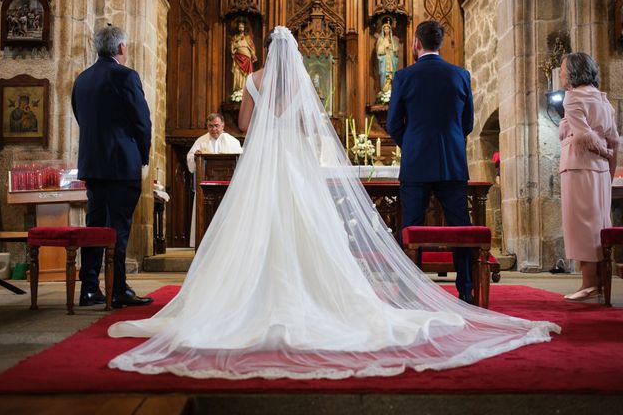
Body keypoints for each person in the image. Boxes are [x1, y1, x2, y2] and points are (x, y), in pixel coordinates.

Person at [107, 26, 559, 380]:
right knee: (307, 226)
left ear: (265, 50)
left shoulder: (254, 78)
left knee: (256, 226)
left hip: (264, 166)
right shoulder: (302, 81)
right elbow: (309, 127)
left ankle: (245, 295)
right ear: (294, 54)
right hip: (296, 167)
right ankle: (327, 293)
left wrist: (266, 120)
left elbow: (244, 123)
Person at [387, 20, 475, 303]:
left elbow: (392, 123)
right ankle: (466, 289)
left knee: (411, 226)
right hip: (452, 162)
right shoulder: (461, 75)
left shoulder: (403, 77)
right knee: (461, 227)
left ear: (416, 43)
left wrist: (411, 145)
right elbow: (468, 123)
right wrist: (450, 142)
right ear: (440, 43)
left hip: (416, 164)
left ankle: (408, 291)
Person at [72, 25, 153, 308]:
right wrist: (141, 155)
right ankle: (118, 288)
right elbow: (142, 121)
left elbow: (81, 118)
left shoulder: (82, 79)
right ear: (121, 48)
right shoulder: (125, 76)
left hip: (93, 165)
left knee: (95, 226)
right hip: (121, 164)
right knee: (118, 228)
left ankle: (90, 288)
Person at [559, 52, 619, 301]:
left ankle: (589, 283)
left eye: (562, 70)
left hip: (579, 167)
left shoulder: (573, 98)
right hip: (601, 170)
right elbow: (614, 138)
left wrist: (603, 151)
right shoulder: (602, 99)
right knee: (598, 224)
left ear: (573, 72)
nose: (561, 74)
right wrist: (609, 166)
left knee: (581, 225)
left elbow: (584, 136)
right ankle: (599, 283)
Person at [186, 113, 242, 247]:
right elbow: (190, 160)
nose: (213, 129)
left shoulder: (233, 142)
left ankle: (228, 244)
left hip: (228, 189)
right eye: (210, 126)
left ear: (223, 126)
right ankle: (204, 243)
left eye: (216, 126)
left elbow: (240, 162)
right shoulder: (200, 141)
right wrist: (195, 156)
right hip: (205, 189)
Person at [230, 21, 257, 100]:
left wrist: (253, 54)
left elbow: (252, 47)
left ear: (244, 28)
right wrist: (236, 42)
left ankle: (246, 90)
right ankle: (238, 90)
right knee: (238, 73)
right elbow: (232, 47)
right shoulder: (235, 37)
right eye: (239, 27)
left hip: (247, 58)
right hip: (238, 58)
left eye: (242, 27)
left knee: (247, 75)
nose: (240, 28)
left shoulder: (247, 38)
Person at [375, 21, 400, 96]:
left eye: (388, 29)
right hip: (384, 61)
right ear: (383, 30)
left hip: (391, 60)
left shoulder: (392, 40)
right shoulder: (381, 39)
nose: (386, 30)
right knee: (383, 73)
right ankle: (384, 92)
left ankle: (391, 92)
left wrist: (395, 50)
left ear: (390, 30)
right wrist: (384, 48)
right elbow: (378, 51)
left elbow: (396, 49)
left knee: (392, 75)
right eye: (385, 29)